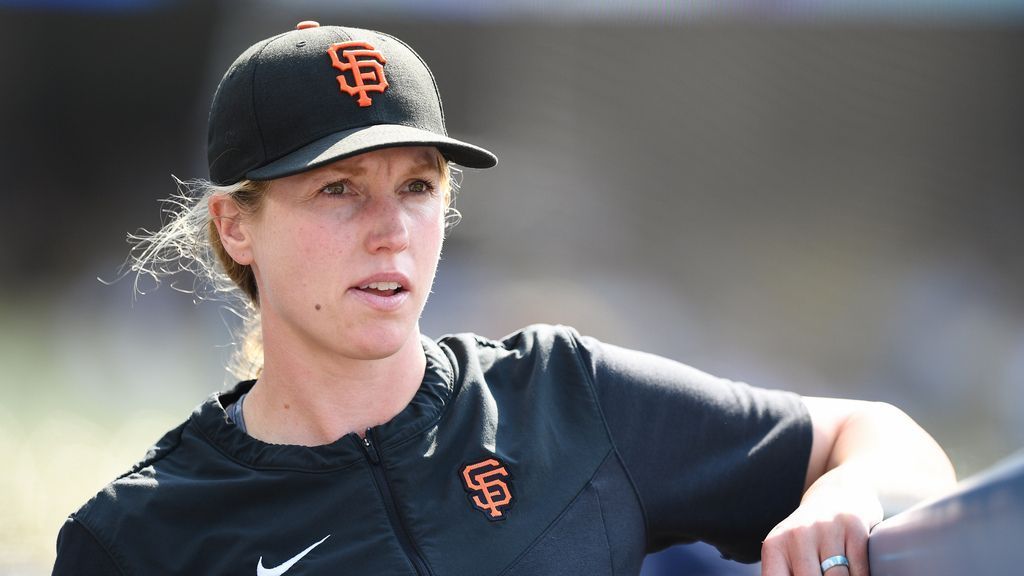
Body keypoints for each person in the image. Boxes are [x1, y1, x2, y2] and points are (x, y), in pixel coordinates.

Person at [52, 21, 956, 576]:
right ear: (234, 228)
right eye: (337, 189)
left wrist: (846, 499)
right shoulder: (137, 539)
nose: (391, 229)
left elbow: (887, 439)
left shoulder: (564, 399)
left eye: (417, 186)